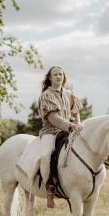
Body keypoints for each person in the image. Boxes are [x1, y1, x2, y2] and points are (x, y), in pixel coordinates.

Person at [37, 66, 83, 208]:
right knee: (45, 155)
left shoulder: (69, 94)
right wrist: (69, 125)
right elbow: (53, 117)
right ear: (50, 77)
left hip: (70, 129)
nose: (59, 76)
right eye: (55, 74)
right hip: (51, 131)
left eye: (61, 74)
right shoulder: (46, 95)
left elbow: (75, 113)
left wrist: (78, 126)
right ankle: (49, 190)